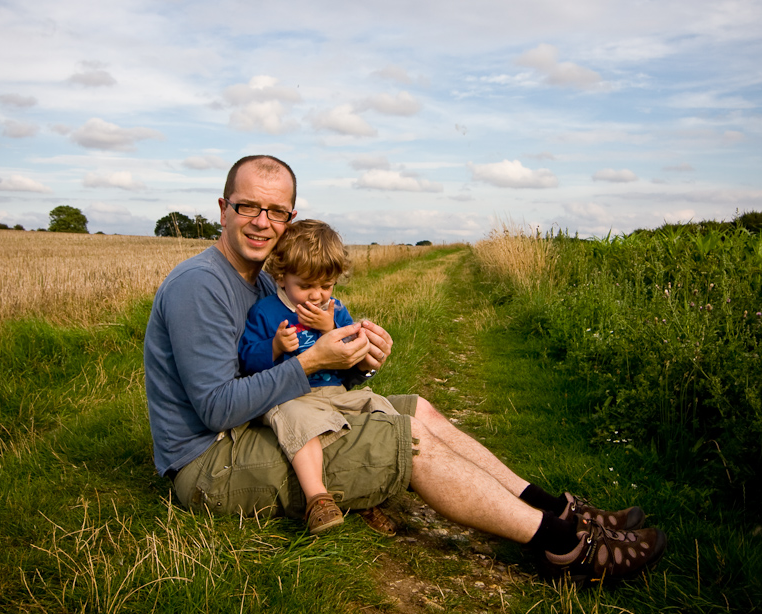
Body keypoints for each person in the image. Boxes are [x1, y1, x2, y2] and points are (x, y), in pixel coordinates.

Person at [144, 154, 667, 588]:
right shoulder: (200, 285)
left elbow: (308, 378)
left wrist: (359, 363)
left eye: (275, 211)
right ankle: (565, 549)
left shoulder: (268, 282)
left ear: (290, 218)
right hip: (210, 461)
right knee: (404, 439)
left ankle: (558, 509)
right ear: (222, 208)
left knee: (422, 410)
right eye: (247, 206)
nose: (261, 221)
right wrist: (311, 362)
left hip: (265, 424)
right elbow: (215, 408)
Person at [238, 218, 401, 534]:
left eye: (325, 286)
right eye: (306, 286)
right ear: (282, 277)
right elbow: (246, 361)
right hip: (291, 397)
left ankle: (370, 489)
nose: (316, 296)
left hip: (335, 393)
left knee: (377, 405)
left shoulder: (335, 310)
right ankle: (318, 499)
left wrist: (332, 329)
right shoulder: (266, 312)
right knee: (301, 422)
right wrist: (273, 346)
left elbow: (355, 357)